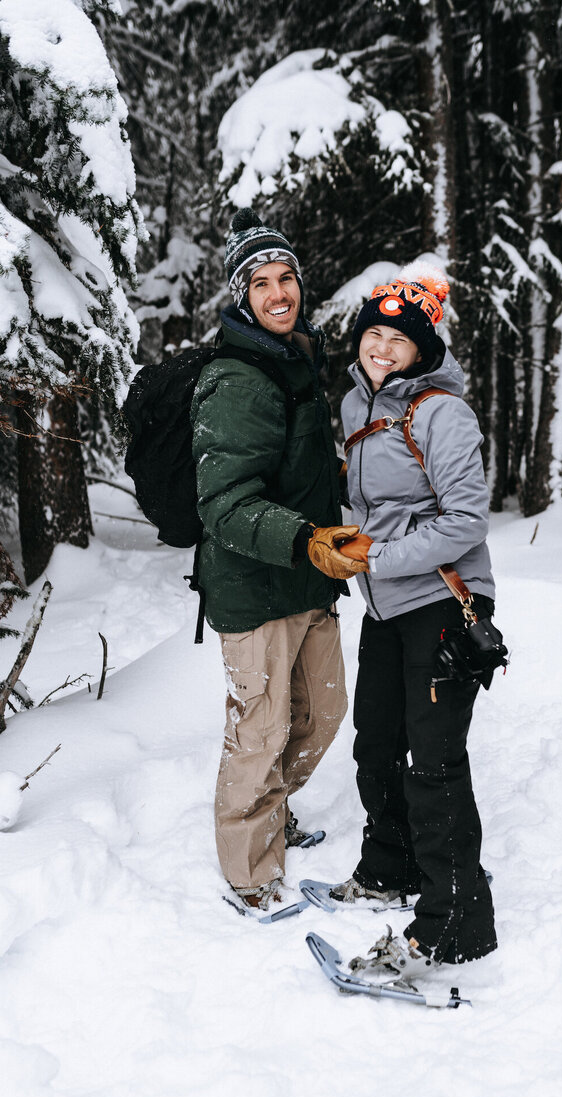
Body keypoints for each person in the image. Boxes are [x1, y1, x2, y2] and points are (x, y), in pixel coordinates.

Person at [311, 261, 498, 977]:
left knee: (433, 760)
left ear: (423, 351)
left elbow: (464, 520)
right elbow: (377, 505)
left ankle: (455, 923)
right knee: (376, 741)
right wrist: (342, 535)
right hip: (387, 602)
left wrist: (376, 556)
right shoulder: (358, 406)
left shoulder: (442, 413)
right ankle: (390, 868)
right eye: (374, 333)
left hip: (443, 604)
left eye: (401, 338)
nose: (383, 347)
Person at [191, 208, 365, 910]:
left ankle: (274, 813)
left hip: (306, 581)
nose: (278, 292)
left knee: (320, 717)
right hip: (254, 588)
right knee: (259, 733)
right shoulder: (237, 379)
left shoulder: (294, 360)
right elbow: (225, 505)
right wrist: (305, 538)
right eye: (260, 283)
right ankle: (250, 875)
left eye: (285, 276)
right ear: (244, 296)